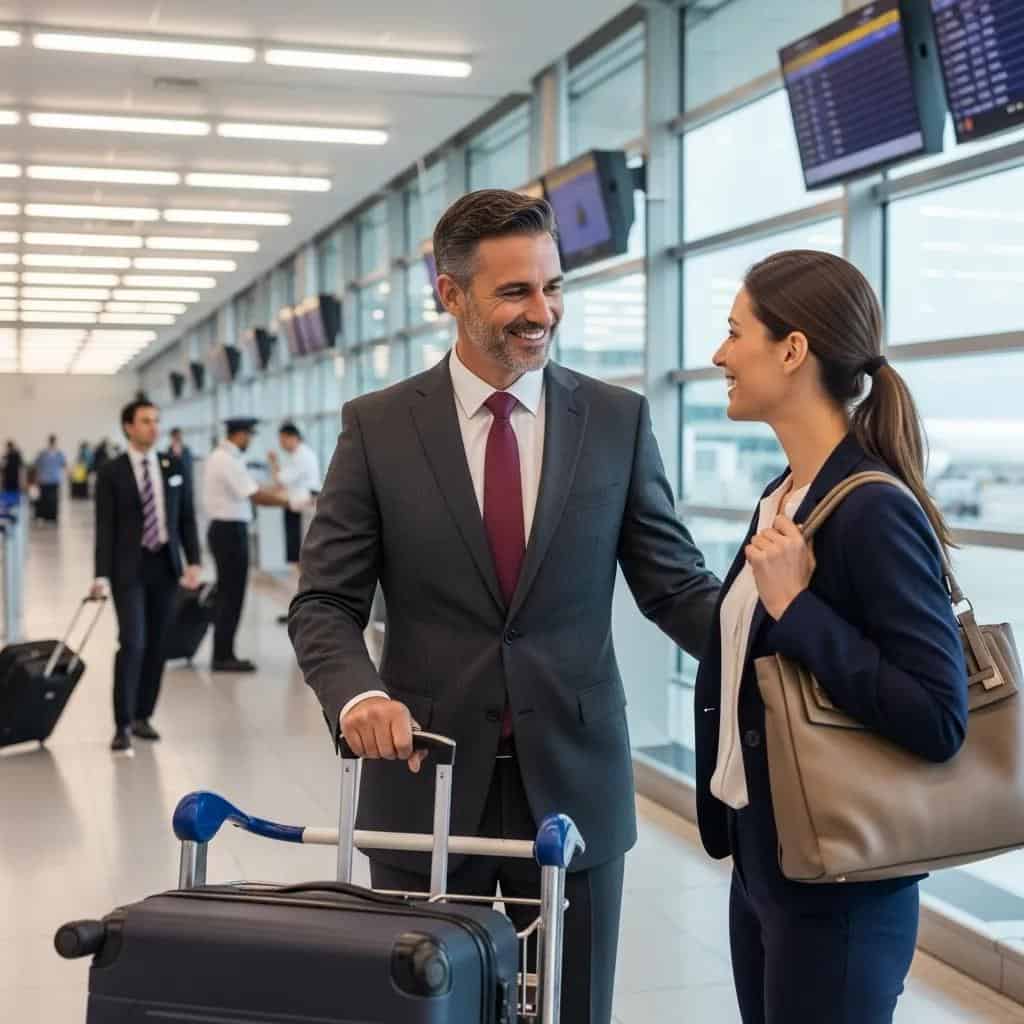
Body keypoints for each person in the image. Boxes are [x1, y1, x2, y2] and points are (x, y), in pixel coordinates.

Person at [289, 189, 721, 1024]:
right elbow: (324, 602)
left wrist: (781, 641)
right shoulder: (377, 428)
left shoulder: (615, 420)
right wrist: (358, 693)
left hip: (577, 780)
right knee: (428, 1009)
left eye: (553, 287)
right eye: (515, 292)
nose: (543, 312)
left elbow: (673, 584)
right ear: (449, 295)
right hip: (427, 778)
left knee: (574, 1007)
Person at [694, 250, 969, 1024]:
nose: (719, 355)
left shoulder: (874, 509)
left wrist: (801, 608)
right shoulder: (781, 498)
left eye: (733, 332)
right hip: (769, 862)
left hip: (843, 889)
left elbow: (938, 716)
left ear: (791, 350)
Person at [91, 400, 203, 755]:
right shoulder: (111, 471)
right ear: (128, 426)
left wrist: (194, 561)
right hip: (129, 569)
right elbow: (104, 527)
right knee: (133, 643)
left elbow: (185, 516)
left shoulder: (173, 463)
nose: (153, 427)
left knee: (157, 645)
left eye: (156, 420)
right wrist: (101, 575)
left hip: (165, 567)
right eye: (145, 421)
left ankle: (143, 716)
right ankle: (122, 723)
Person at [203, 418, 289, 672]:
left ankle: (224, 652)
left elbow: (252, 488)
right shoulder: (225, 460)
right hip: (229, 532)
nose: (250, 440)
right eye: (249, 436)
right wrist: (290, 502)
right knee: (231, 596)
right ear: (239, 435)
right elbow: (255, 495)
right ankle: (222, 656)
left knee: (229, 594)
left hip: (227, 530)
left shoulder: (225, 457)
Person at [268, 422, 321, 624]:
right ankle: (300, 606)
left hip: (302, 512)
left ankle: (305, 608)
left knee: (303, 560)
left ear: (293, 437)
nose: (281, 444)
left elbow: (282, 480)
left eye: (282, 439)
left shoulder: (303, 456)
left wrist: (273, 463)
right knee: (297, 561)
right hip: (294, 509)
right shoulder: (297, 456)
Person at [34, 435, 66, 523]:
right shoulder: (47, 453)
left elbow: (37, 465)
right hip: (49, 479)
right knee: (49, 499)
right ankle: (50, 517)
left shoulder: (46, 453)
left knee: (50, 499)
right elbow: (63, 464)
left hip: (49, 479)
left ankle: (50, 517)